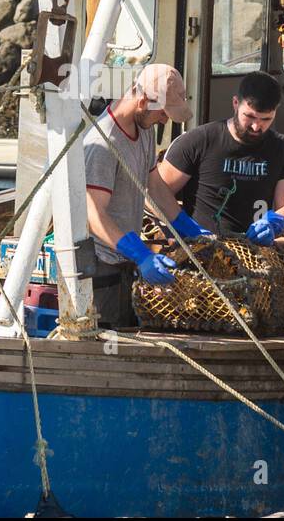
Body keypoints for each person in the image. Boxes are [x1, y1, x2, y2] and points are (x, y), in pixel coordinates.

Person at [83, 63, 211, 327]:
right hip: (100, 268)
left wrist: (188, 227)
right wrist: (141, 254)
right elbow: (93, 216)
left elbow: (154, 186)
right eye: (163, 112)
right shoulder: (102, 143)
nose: (165, 120)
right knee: (108, 343)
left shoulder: (144, 130)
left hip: (126, 263)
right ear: (142, 101)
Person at [151, 70, 284, 245]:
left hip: (256, 251)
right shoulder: (199, 141)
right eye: (250, 116)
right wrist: (183, 224)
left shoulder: (283, 148)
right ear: (236, 103)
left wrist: (277, 223)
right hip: (203, 248)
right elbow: (154, 193)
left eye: (265, 119)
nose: (255, 126)